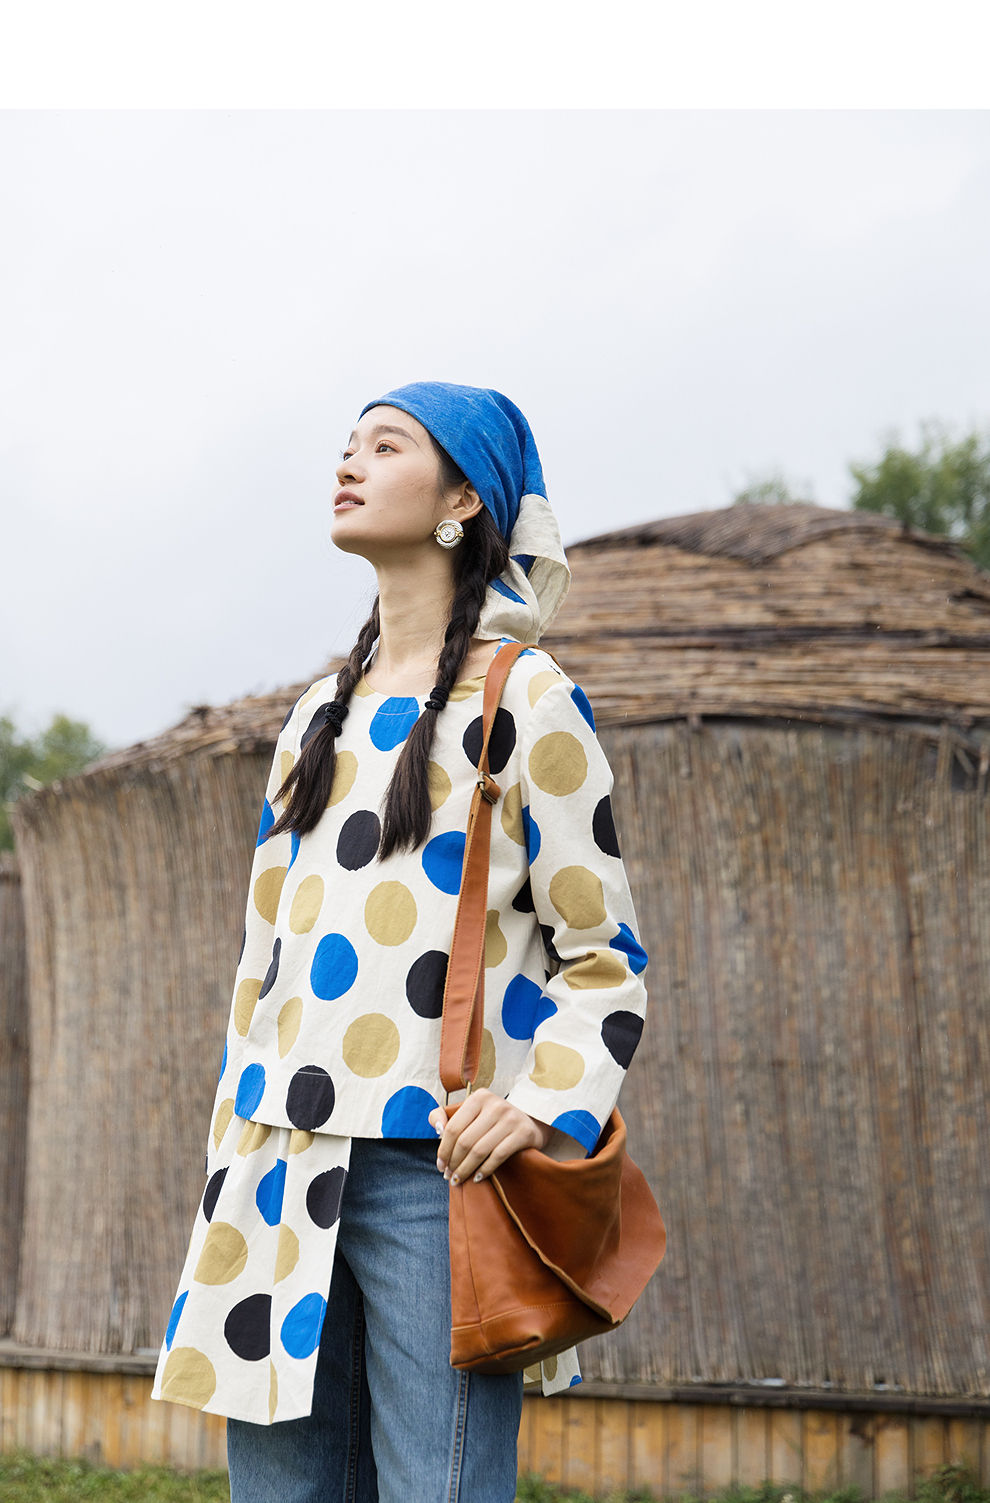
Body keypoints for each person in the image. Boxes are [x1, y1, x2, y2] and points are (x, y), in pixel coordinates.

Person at [152, 382, 650, 1502]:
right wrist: (232, 1148)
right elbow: (262, 967)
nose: (349, 463)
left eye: (386, 446)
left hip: (438, 1173)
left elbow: (605, 956)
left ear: (464, 500)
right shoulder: (314, 715)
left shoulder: (527, 699)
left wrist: (537, 1106)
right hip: (278, 1160)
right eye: (348, 446)